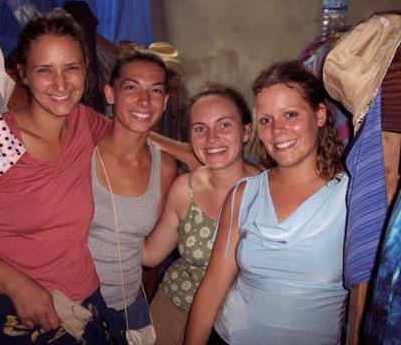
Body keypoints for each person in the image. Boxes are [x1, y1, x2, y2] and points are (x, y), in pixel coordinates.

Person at [184, 60, 348, 344]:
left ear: (319, 114)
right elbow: (211, 289)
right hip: (229, 337)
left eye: (291, 114)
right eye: (266, 120)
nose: (277, 130)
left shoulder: (349, 196)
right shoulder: (243, 194)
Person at [0, 9, 123, 344]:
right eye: (45, 70)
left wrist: (195, 155)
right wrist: (15, 283)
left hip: (87, 294)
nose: (61, 84)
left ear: (86, 71)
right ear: (24, 74)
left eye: (71, 68)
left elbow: (132, 135)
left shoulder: (84, 123)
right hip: (17, 300)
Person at [141, 84, 259, 344]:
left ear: (246, 131)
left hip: (238, 324)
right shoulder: (185, 188)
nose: (211, 137)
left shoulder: (268, 191)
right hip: (174, 310)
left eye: (224, 125)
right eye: (200, 128)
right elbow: (150, 255)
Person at [88, 49, 178, 333]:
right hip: (74, 305)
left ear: (164, 102)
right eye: (131, 87)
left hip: (129, 310)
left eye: (155, 91)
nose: (144, 100)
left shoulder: (164, 166)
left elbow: (151, 250)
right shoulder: (83, 150)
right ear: (110, 93)